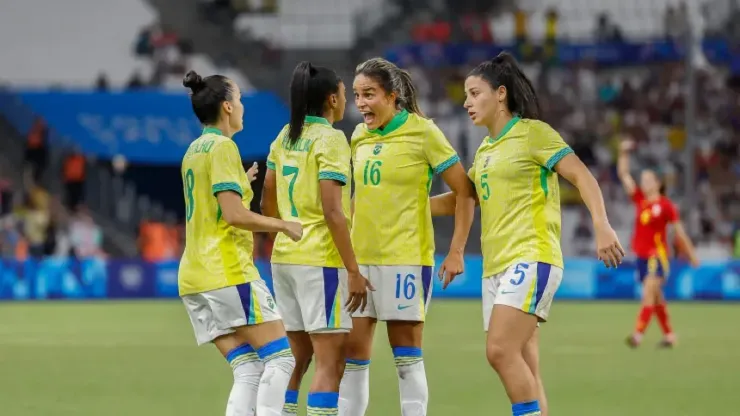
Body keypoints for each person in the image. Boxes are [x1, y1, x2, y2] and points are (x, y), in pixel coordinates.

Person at [430, 52, 624, 416]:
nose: (466, 102)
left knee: (499, 351)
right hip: (496, 268)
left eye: (474, 93)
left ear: (500, 94)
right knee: (527, 367)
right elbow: (463, 199)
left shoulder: (533, 133)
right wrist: (404, 206)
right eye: (466, 95)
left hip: (532, 257)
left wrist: (602, 224)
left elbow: (581, 175)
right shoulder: (486, 150)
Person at [338, 57, 476, 416]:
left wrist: (456, 250)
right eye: (356, 96)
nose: (362, 103)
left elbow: (464, 192)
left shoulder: (424, 132)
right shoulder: (357, 136)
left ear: (392, 95)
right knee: (352, 359)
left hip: (406, 262)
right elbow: (360, 197)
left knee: (406, 360)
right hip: (360, 263)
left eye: (369, 94)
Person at [178, 70, 302, 416]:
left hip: (194, 277)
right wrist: (283, 225)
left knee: (248, 368)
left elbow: (212, 204)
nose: (244, 106)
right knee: (281, 358)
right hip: (226, 272)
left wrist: (241, 182)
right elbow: (233, 215)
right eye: (241, 99)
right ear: (228, 107)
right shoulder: (223, 147)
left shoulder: (194, 150)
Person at [261, 61, 371, 416]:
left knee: (297, 357)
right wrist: (353, 270)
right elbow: (333, 211)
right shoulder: (331, 139)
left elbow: (267, 199)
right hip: (319, 260)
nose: (346, 99)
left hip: (284, 259)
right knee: (330, 361)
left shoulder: (285, 135)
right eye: (343, 92)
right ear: (330, 98)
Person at [618, 139, 699, 348]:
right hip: (641, 256)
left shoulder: (666, 206)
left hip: (658, 255)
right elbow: (624, 175)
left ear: (658, 183)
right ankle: (670, 336)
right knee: (656, 298)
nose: (643, 183)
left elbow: (679, 231)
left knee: (648, 293)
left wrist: (691, 254)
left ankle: (637, 335)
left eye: (647, 179)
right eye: (642, 179)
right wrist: (623, 153)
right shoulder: (640, 201)